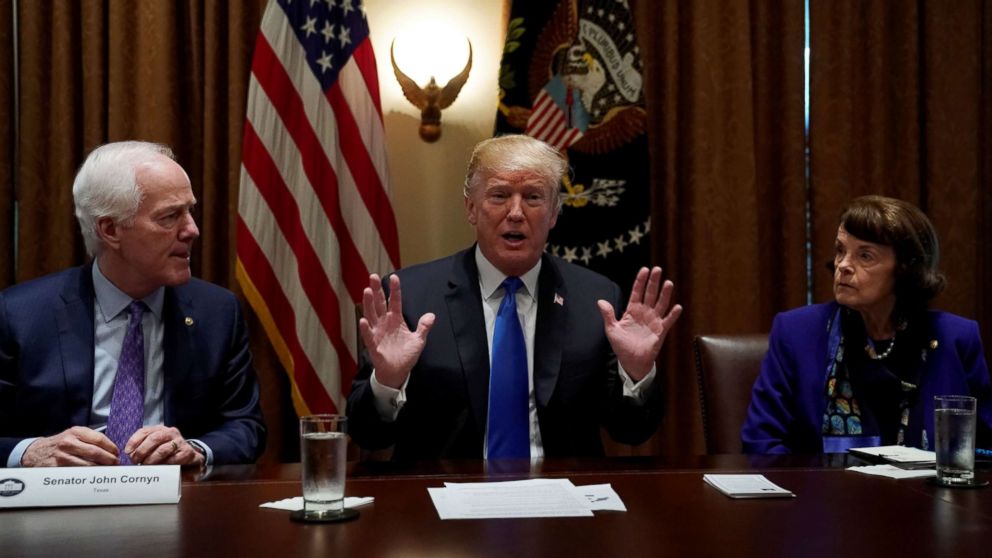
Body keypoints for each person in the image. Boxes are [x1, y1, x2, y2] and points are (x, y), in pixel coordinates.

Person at [346, 134, 682, 460]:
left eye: (533, 197)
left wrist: (637, 373)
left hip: (561, 498)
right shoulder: (412, 297)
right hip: (444, 498)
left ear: (553, 214)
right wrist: (388, 382)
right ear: (471, 208)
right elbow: (368, 435)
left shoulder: (597, 299)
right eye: (499, 195)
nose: (516, 212)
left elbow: (632, 431)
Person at [0, 141, 266, 468]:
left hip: (178, 503)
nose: (192, 230)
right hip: (61, 505)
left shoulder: (218, 312)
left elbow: (246, 425)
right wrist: (30, 452)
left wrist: (195, 449)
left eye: (190, 211)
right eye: (170, 216)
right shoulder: (19, 315)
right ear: (111, 230)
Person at [742, 195, 992, 454]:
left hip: (928, 493)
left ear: (905, 269)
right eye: (840, 250)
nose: (843, 265)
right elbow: (761, 444)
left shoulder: (956, 338)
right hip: (824, 493)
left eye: (865, 256)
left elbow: (984, 447)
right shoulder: (796, 332)